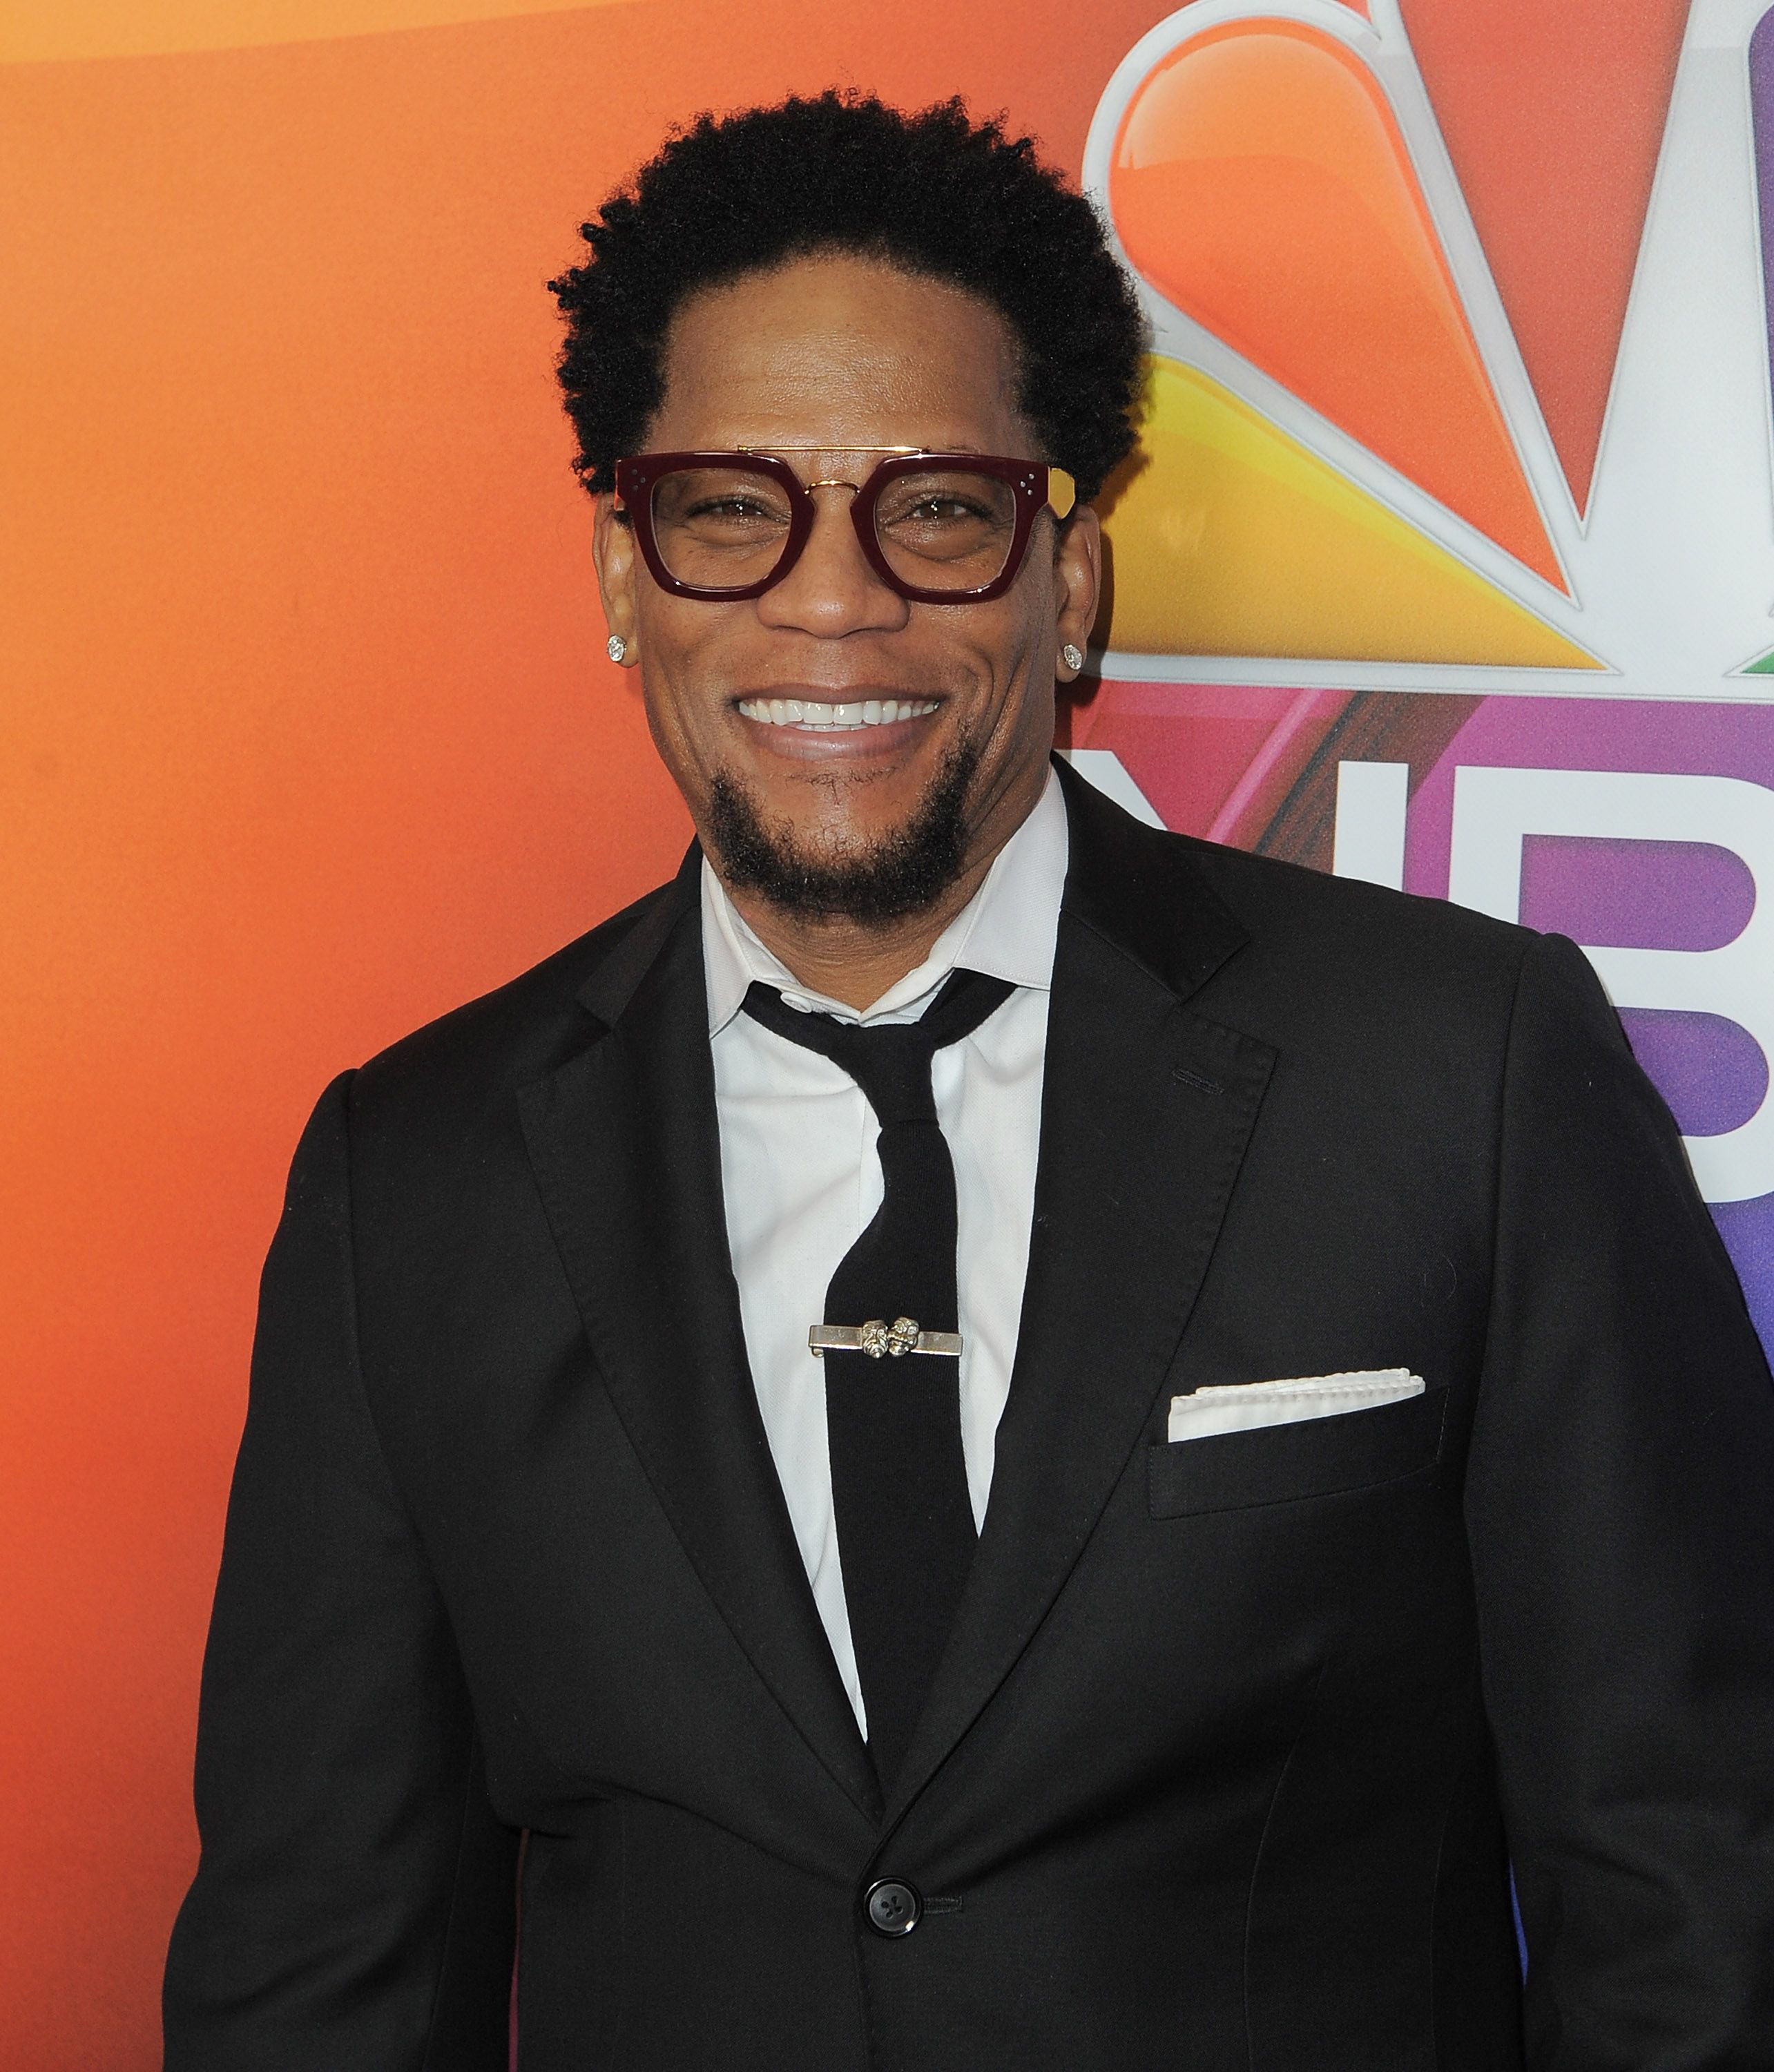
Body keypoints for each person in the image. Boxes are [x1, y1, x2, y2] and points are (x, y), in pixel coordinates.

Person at [162, 91, 1774, 2071]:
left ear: (1067, 577)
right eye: (729, 509)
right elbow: (323, 1969)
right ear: (621, 577)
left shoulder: (1464, 1071)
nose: (831, 603)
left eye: (933, 507)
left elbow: (1692, 1876)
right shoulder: (406, 1180)